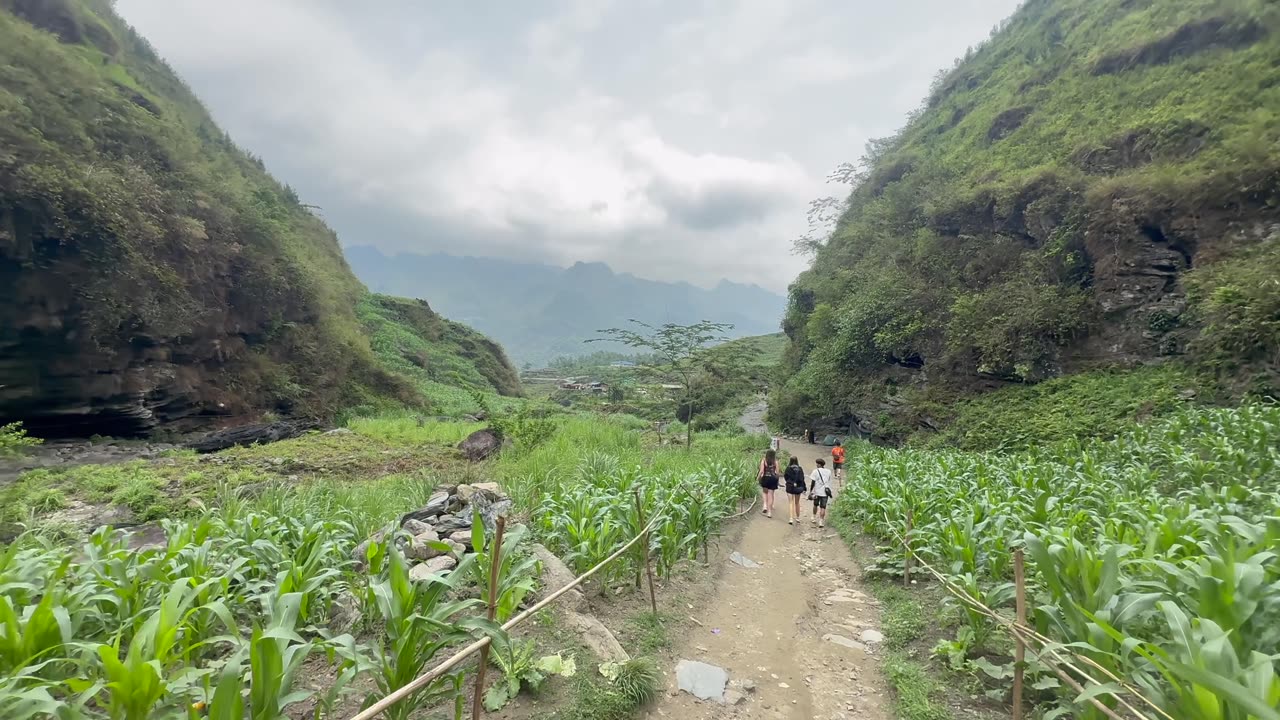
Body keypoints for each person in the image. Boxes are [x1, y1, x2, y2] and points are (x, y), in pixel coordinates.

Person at [809, 458, 834, 528]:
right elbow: (829, 480)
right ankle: (821, 521)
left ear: (819, 464)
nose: (816, 464)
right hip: (825, 492)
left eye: (817, 463)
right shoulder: (828, 471)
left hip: (817, 492)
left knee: (815, 504)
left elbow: (813, 482)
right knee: (823, 507)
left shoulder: (815, 471)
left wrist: (811, 491)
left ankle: (813, 517)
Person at [783, 457, 807, 525]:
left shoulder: (788, 468)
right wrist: (804, 488)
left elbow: (785, 477)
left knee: (790, 502)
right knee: (797, 502)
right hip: (798, 487)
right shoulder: (800, 469)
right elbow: (802, 479)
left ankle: (791, 518)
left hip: (790, 487)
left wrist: (789, 482)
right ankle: (798, 518)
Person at [757, 448, 780, 518]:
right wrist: (777, 480)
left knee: (764, 492)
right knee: (771, 494)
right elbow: (778, 473)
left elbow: (761, 471)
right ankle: (769, 512)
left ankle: (765, 505)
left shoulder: (764, 461)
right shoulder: (775, 462)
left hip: (765, 478)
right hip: (772, 479)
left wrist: (757, 478)